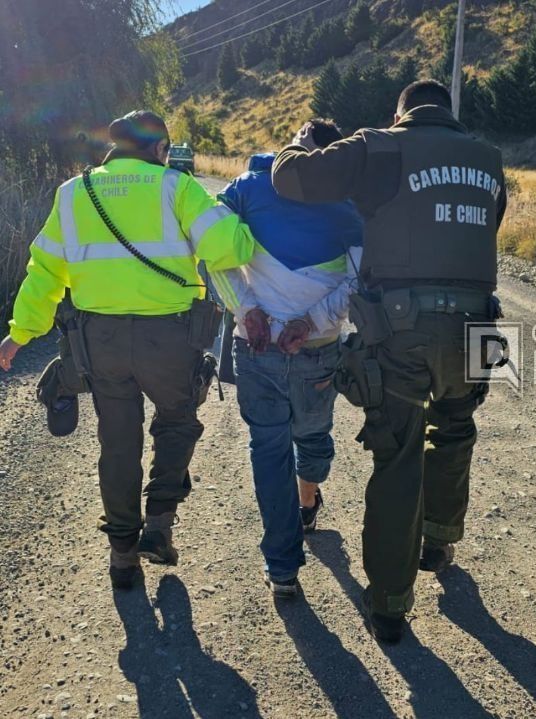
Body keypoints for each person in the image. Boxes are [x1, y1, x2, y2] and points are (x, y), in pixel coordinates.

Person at [271, 79, 506, 642]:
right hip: (479, 326)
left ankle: (390, 605)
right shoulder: (490, 161)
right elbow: (486, 226)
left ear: (400, 111)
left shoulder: (379, 146)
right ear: (446, 113)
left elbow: (292, 179)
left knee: (398, 455)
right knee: (456, 426)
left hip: (404, 328)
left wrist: (298, 144)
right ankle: (440, 537)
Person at [0, 110, 256, 589]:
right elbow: (230, 250)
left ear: (112, 149)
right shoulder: (175, 187)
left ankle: (122, 555)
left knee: (117, 444)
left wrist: (20, 332)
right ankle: (159, 525)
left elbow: (45, 272)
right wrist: (236, 219)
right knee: (178, 421)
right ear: (160, 149)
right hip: (169, 338)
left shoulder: (74, 193)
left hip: (101, 342)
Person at [208, 118, 364, 598]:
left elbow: (209, 253)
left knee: (269, 450)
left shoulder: (247, 188)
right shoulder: (352, 206)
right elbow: (360, 282)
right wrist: (310, 323)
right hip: (317, 352)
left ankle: (282, 568)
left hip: (255, 350)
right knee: (313, 435)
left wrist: (248, 309)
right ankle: (308, 501)